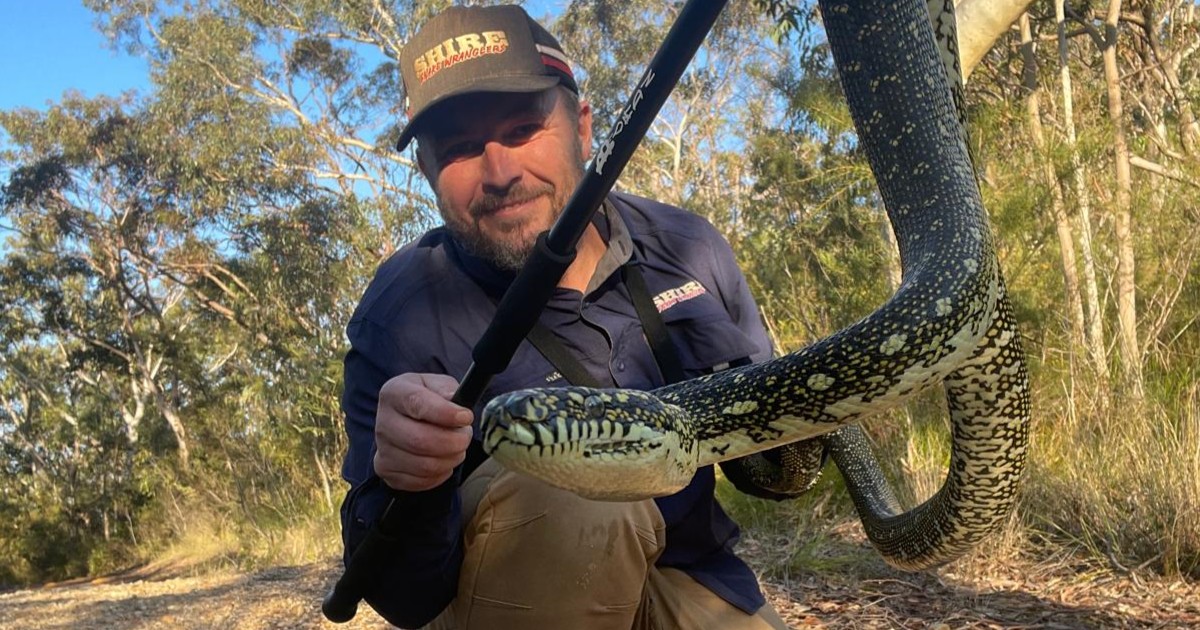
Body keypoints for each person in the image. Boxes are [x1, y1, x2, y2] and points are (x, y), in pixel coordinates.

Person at [339, 5, 791, 629]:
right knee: (575, 488)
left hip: (691, 577)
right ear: (428, 170)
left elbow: (772, 473)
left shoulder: (685, 246)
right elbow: (404, 599)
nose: (500, 173)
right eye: (462, 148)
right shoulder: (401, 316)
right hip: (507, 600)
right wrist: (405, 483)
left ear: (581, 128)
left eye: (524, 129)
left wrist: (810, 430)